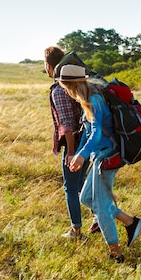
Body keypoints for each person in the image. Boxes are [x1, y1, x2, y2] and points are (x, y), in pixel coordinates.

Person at [56, 64, 141, 262]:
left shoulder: (94, 99)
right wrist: (78, 154)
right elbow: (89, 132)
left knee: (102, 207)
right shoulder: (87, 98)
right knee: (86, 199)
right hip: (99, 156)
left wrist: (82, 155)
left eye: (65, 87)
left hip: (108, 156)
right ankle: (130, 222)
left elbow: (96, 133)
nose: (66, 92)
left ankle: (116, 254)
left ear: (71, 85)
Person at [44, 46, 100, 239]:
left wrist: (71, 152)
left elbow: (67, 124)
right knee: (83, 183)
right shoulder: (75, 83)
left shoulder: (59, 90)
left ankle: (76, 230)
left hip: (75, 144)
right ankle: (97, 218)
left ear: (49, 65)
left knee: (70, 187)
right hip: (88, 142)